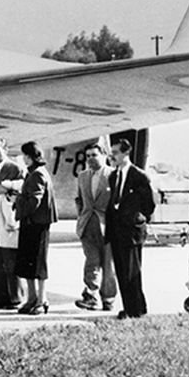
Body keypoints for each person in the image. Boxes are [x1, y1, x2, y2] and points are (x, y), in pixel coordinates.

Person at [105, 137, 157, 320]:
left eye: (116, 153)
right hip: (117, 231)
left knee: (132, 272)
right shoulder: (113, 176)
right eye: (111, 154)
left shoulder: (139, 176)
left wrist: (137, 218)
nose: (113, 157)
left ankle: (136, 309)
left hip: (132, 232)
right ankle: (129, 307)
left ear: (126, 153)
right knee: (121, 272)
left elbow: (149, 205)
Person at [14, 141, 58, 315]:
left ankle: (41, 300)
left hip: (36, 224)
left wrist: (18, 202)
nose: (23, 158)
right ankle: (32, 298)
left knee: (38, 264)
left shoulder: (36, 175)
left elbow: (34, 200)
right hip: (32, 223)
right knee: (28, 263)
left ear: (31, 156)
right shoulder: (34, 173)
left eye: (25, 155)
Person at [74, 142, 116, 311]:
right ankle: (91, 295)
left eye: (94, 155)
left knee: (108, 264)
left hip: (107, 226)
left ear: (104, 155)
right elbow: (79, 199)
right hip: (87, 224)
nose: (91, 158)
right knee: (91, 261)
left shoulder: (113, 175)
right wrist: (81, 216)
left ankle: (109, 298)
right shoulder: (82, 176)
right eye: (88, 156)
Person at [0, 137, 25, 309]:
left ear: (6, 150)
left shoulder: (16, 168)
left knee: (11, 261)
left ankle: (16, 299)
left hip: (8, 221)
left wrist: (9, 188)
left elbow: (22, 191)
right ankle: (0, 299)